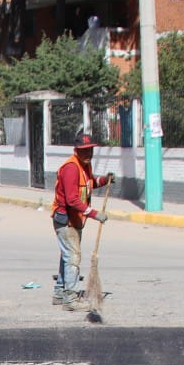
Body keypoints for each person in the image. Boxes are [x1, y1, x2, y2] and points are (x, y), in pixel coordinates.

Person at [51, 132, 114, 309]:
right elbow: (72, 199)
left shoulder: (84, 165)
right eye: (84, 151)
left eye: (90, 151)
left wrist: (104, 180)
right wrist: (94, 214)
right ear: (76, 150)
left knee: (67, 255)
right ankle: (70, 298)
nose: (88, 154)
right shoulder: (71, 168)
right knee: (73, 257)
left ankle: (59, 292)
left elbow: (89, 183)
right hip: (66, 220)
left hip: (76, 219)